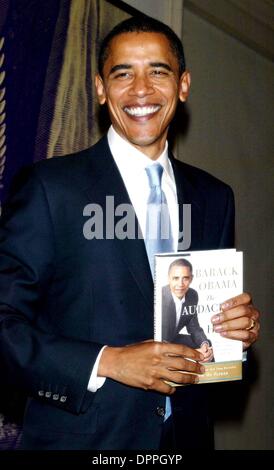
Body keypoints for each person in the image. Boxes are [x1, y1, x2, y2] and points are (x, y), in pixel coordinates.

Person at [0, 16, 260, 450]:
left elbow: (203, 325)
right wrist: (108, 362)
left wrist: (237, 333)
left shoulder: (215, 196)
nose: (141, 90)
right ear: (101, 89)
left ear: (183, 85)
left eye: (158, 71)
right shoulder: (51, 188)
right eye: (123, 74)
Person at [162, 258, 214, 363]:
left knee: (207, 346)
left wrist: (204, 346)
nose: (180, 284)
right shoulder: (161, 296)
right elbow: (159, 340)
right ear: (168, 278)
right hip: (156, 343)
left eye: (185, 278)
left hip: (173, 338)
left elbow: (194, 326)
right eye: (176, 278)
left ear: (191, 279)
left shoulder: (192, 295)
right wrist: (190, 354)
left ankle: (211, 377)